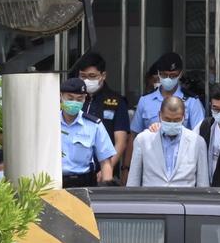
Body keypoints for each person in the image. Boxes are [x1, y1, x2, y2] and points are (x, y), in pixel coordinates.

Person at [123, 52, 205, 181]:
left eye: (173, 75)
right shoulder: (145, 101)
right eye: (164, 75)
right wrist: (126, 169)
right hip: (151, 169)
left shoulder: (192, 102)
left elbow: (198, 138)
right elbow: (134, 136)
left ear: (180, 74)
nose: (168, 79)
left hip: (182, 170)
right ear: (158, 74)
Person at [127, 96, 209, 187]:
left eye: (176, 120)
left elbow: (203, 183)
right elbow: (133, 181)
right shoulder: (143, 140)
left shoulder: (197, 142)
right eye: (167, 119)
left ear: (183, 117)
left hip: (184, 200)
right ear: (159, 115)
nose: (172, 123)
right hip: (152, 199)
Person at [75, 52, 130, 178]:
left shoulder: (116, 101)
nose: (86, 80)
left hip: (104, 172)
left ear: (103, 75)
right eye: (82, 76)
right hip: (76, 171)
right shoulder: (73, 100)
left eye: (92, 76)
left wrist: (108, 168)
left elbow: (120, 142)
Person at [60, 78, 116, 188]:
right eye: (70, 98)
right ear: (60, 96)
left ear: (85, 99)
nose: (74, 102)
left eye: (79, 99)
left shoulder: (94, 125)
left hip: (84, 183)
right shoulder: (49, 123)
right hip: (55, 182)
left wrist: (107, 191)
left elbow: (106, 162)